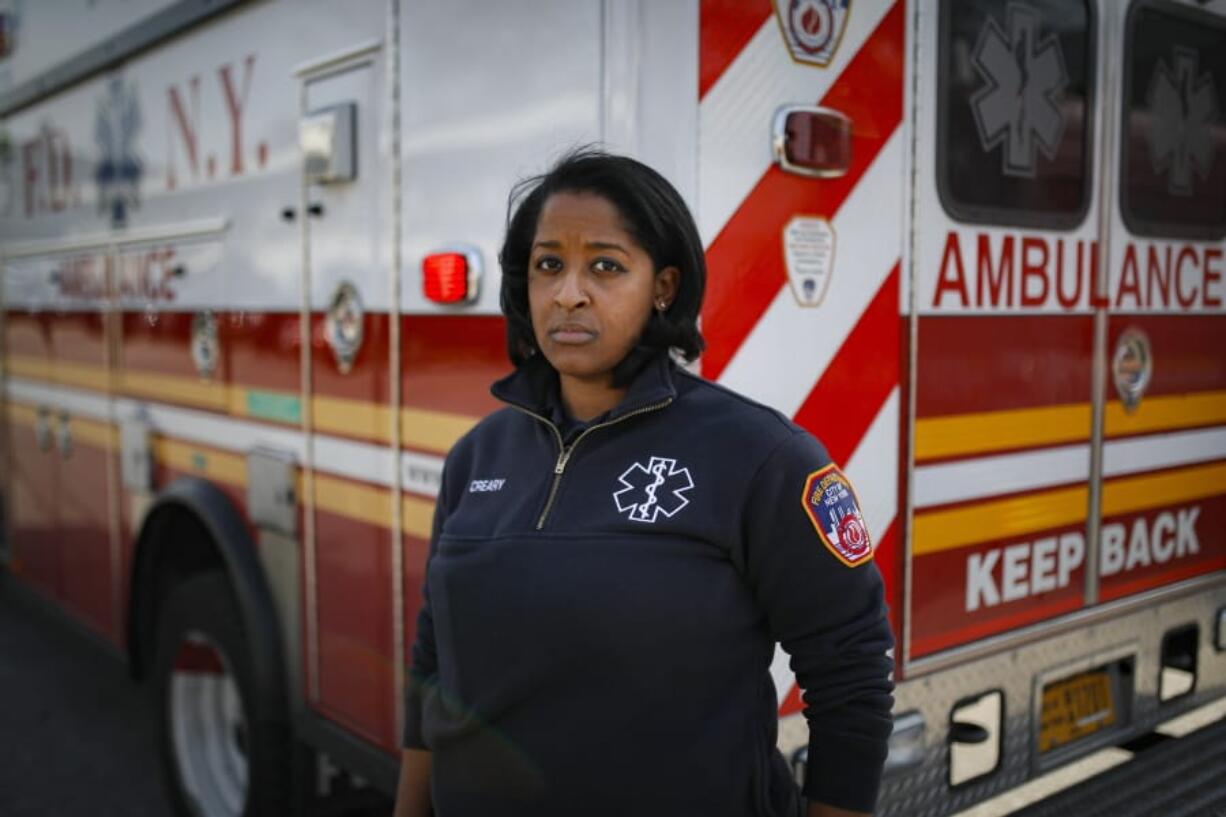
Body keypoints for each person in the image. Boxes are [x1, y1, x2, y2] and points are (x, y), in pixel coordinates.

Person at [393, 150, 894, 817]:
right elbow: (434, 660)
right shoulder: (476, 457)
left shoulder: (760, 456)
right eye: (549, 264)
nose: (569, 291)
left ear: (662, 286)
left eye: (605, 264)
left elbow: (851, 672)